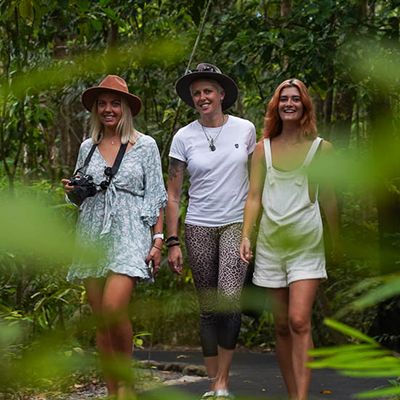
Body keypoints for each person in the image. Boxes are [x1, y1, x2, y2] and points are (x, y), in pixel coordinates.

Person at [62, 75, 167, 399]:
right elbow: (79, 193)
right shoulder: (87, 147)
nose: (108, 109)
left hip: (130, 232)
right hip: (93, 233)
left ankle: (126, 383)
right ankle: (113, 391)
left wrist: (158, 240)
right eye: (103, 104)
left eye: (115, 103)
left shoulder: (145, 145)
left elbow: (156, 195)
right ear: (96, 109)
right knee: (101, 320)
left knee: (113, 309)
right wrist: (72, 192)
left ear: (125, 109)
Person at [240, 78, 340, 400]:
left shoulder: (320, 149)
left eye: (295, 99)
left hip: (307, 243)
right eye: (284, 99)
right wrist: (246, 236)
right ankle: (292, 392)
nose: (289, 104)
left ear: (305, 105)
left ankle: (301, 398)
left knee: (299, 320)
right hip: (271, 244)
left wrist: (337, 240)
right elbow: (254, 197)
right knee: (282, 325)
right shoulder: (262, 150)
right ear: (276, 106)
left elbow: (329, 197)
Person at [166, 63, 256, 399]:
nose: (202, 97)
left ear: (221, 95)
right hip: (198, 226)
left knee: (229, 302)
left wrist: (250, 230)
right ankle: (212, 382)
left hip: (235, 223)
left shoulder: (245, 130)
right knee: (208, 308)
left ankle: (222, 383)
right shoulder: (183, 136)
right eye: (196, 93)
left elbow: (255, 186)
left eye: (208, 91)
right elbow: (173, 195)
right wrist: (172, 241)